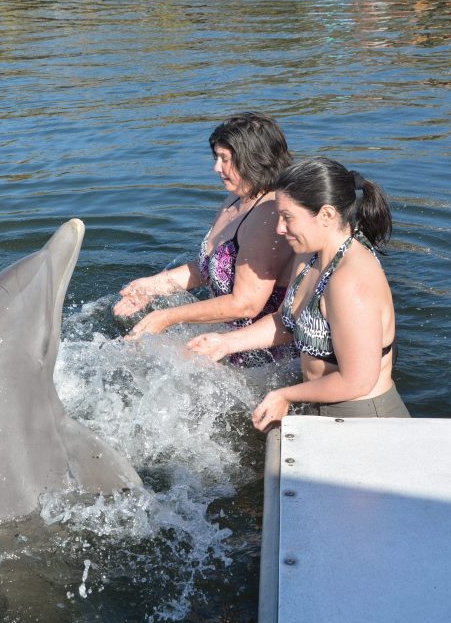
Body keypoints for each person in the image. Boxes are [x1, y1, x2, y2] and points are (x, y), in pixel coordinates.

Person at [187, 157, 409, 429]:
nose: (279, 228)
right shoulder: (310, 253)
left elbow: (358, 380)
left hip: (365, 420)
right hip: (320, 408)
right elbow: (286, 321)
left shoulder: (351, 281)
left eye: (288, 217)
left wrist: (285, 394)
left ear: (326, 215)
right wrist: (227, 342)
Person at [112, 112, 296, 366]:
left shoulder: (269, 215)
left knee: (137, 356)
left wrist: (168, 317)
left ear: (254, 160)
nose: (216, 168)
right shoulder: (237, 197)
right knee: (130, 350)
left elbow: (246, 305)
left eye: (225, 159)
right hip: (225, 338)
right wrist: (152, 286)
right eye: (216, 157)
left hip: (261, 358)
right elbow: (211, 268)